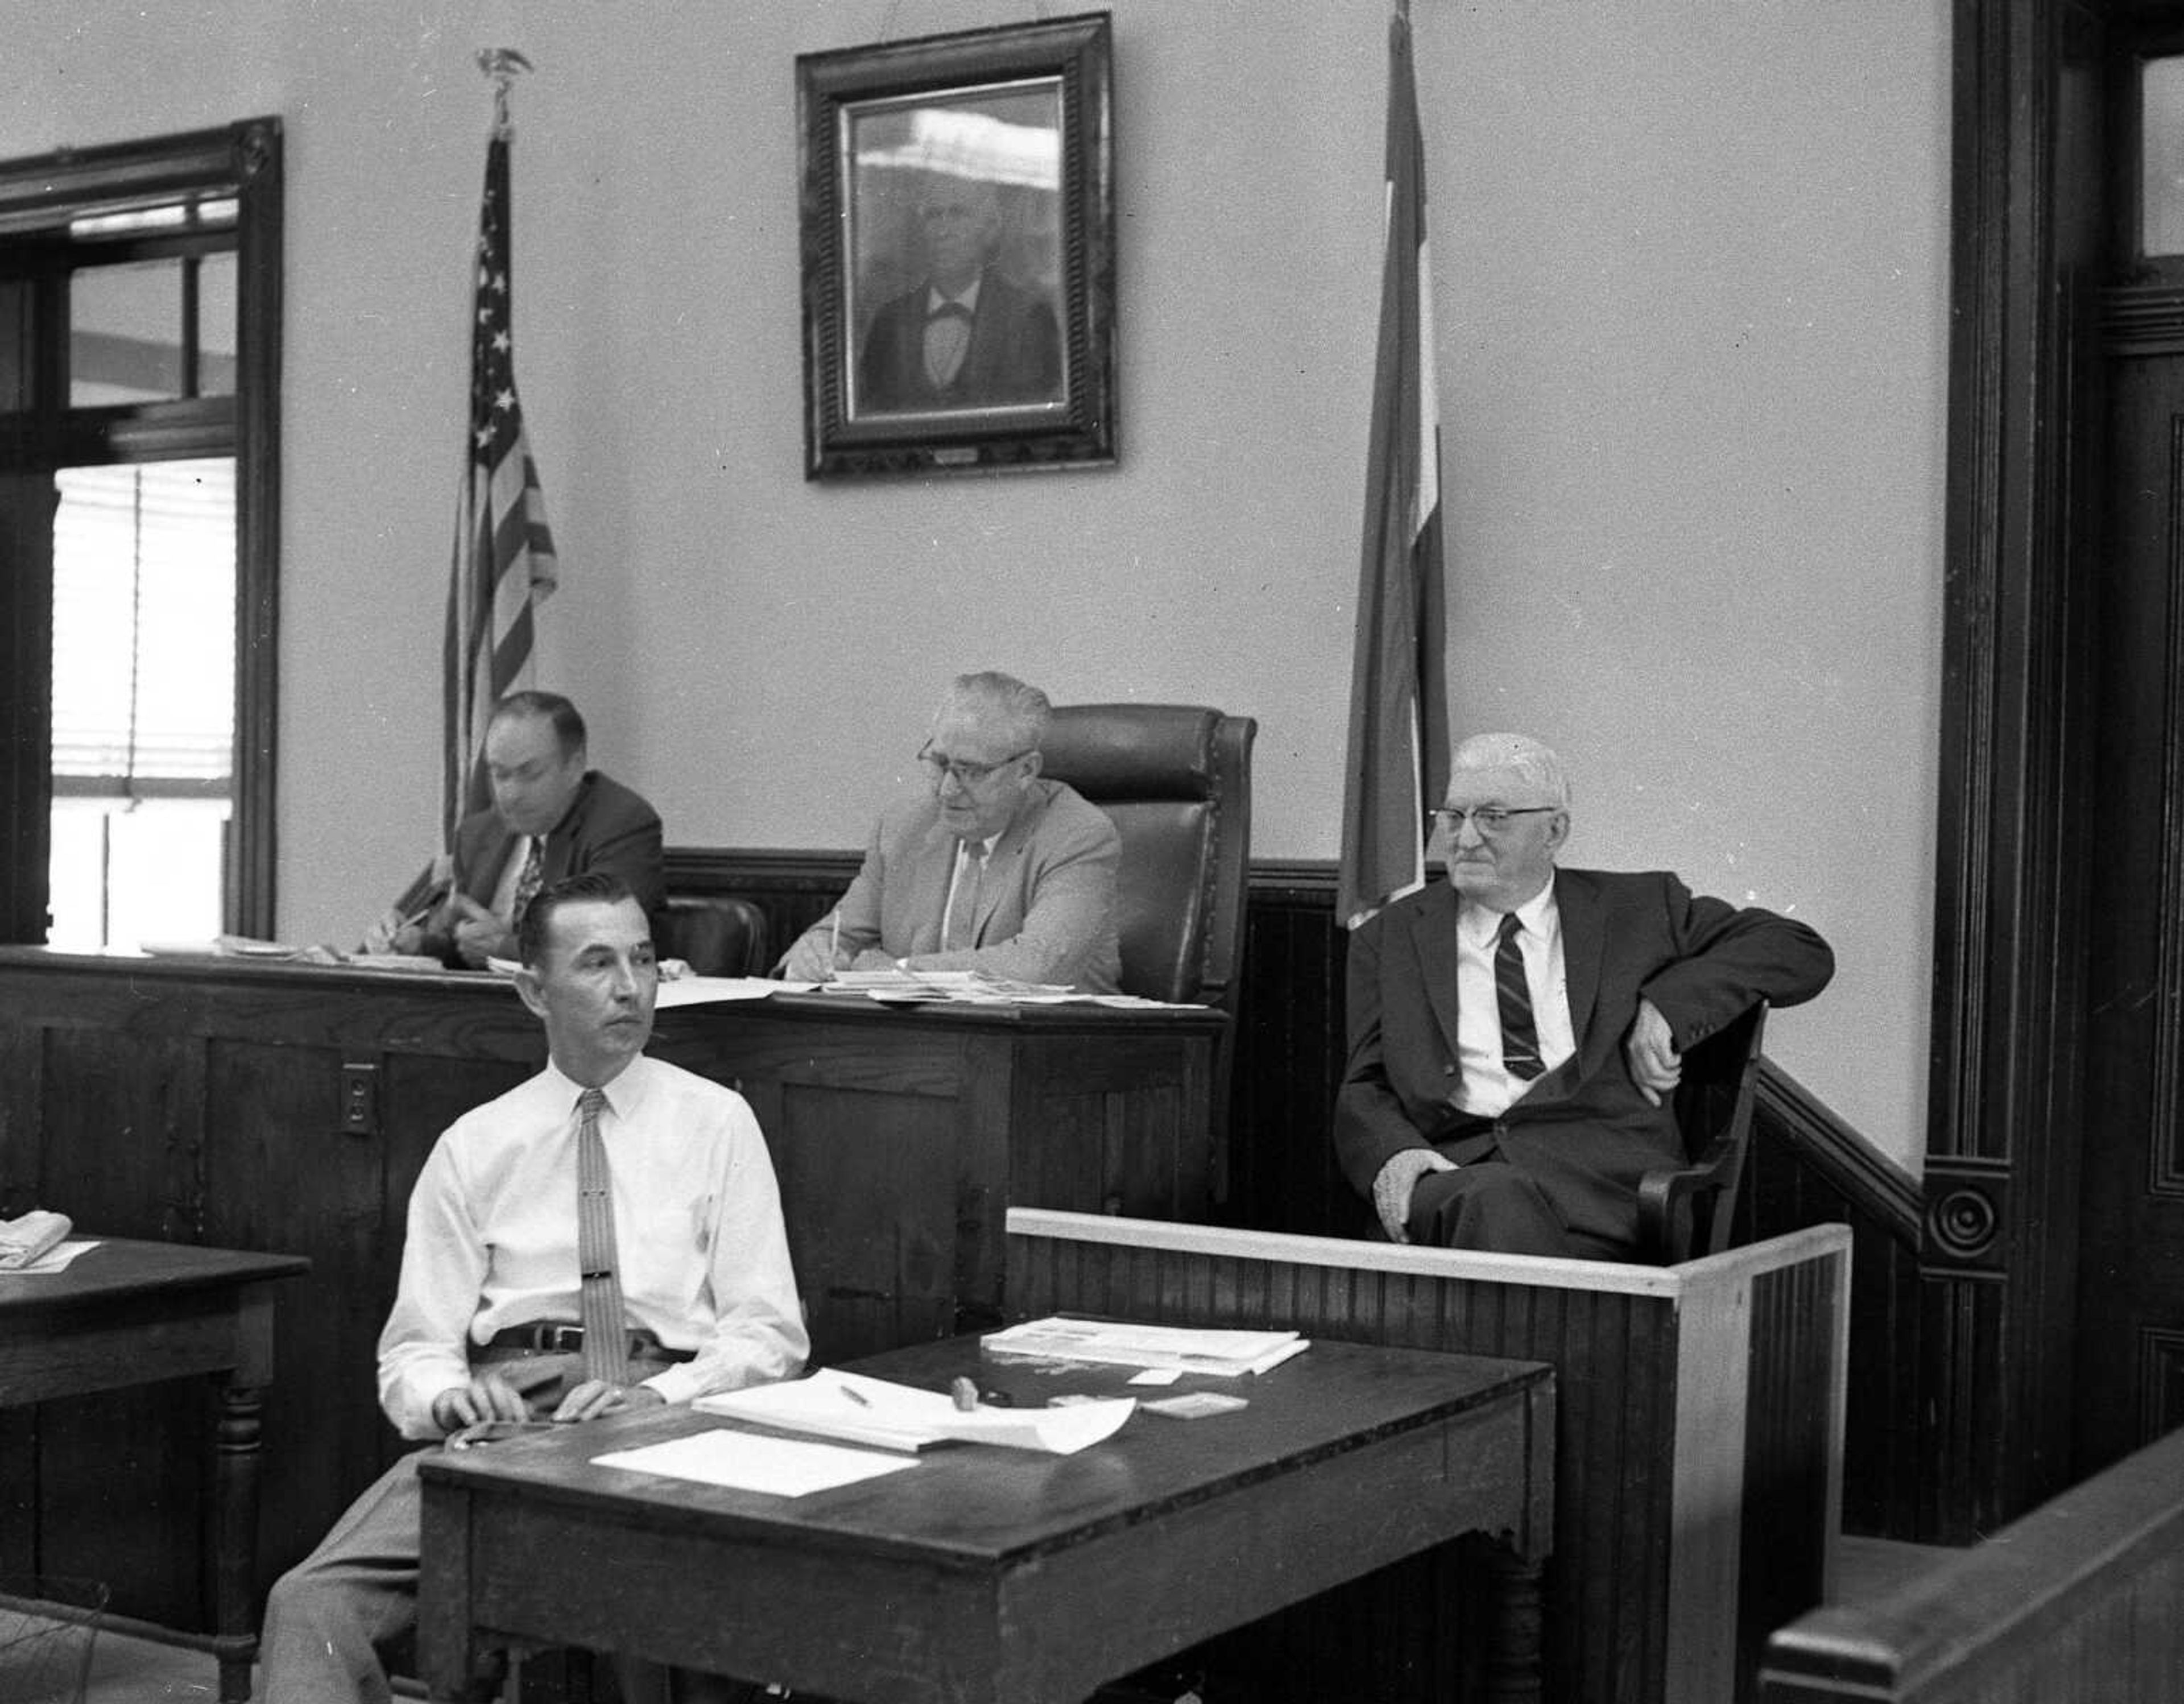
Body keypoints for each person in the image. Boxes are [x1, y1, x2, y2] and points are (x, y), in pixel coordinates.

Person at [262, 872, 806, 1704]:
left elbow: (771, 1336)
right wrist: (451, 1402)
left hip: (670, 1416)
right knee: (308, 1606)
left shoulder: (717, 1124)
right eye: (596, 964)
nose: (630, 988)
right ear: (532, 990)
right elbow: (415, 1351)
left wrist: (661, 1396)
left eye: (643, 960)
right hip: (516, 1426)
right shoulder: (477, 1145)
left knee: (643, 1623)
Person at [1336, 733, 1834, 1260]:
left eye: (1493, 817)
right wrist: (1398, 1153)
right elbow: (1365, 1085)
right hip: (1461, 1185)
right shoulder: (1389, 937)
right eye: (1453, 816)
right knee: (1492, 1200)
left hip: (1602, 1197)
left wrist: (1667, 1005)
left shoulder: (1640, 910)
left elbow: (1798, 950)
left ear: (1555, 831)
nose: (1465, 839)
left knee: (1502, 1232)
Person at [776, 672, 1122, 992]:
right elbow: (840, 934)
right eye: (939, 763)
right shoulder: (902, 827)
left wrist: (899, 972)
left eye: (970, 771)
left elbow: (1038, 965)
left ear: (1026, 771)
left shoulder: (1078, 835)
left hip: (1053, 1045)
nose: (946, 790)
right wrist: (813, 955)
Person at [366, 690, 665, 967]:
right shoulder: (479, 832)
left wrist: (503, 947)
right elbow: (461, 949)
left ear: (574, 767)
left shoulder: (621, 823)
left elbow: (602, 943)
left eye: (529, 774)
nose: (510, 794)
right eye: (499, 774)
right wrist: (419, 945)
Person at [855, 175, 1061, 413]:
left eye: (958, 214)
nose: (943, 231)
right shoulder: (889, 323)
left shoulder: (1028, 317)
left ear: (990, 229)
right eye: (933, 216)